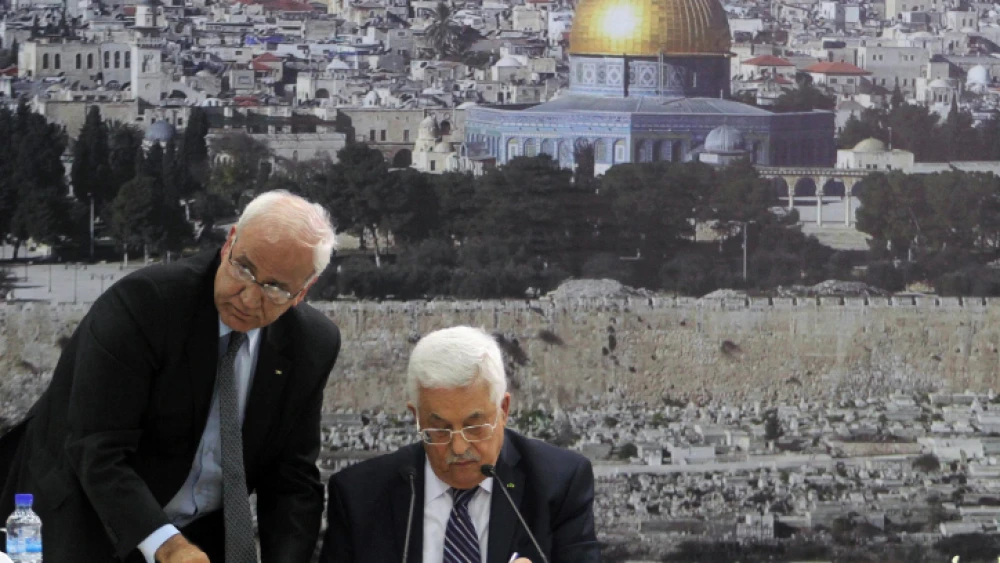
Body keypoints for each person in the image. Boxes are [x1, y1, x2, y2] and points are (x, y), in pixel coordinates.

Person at [0, 190, 341, 563]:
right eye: (243, 269)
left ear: (302, 292)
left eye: (275, 288)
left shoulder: (312, 344)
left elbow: (292, 479)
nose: (248, 297)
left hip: (199, 537)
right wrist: (168, 545)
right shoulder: (145, 305)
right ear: (229, 242)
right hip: (83, 521)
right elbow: (97, 448)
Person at [319, 326, 600, 563]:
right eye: (439, 429)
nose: (458, 447)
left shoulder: (558, 483)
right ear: (416, 418)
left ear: (503, 410)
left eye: (474, 426)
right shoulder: (359, 496)